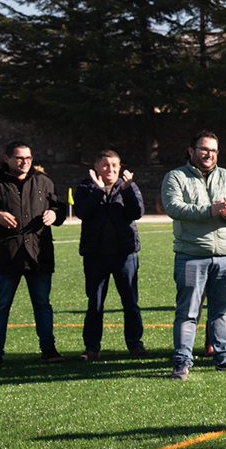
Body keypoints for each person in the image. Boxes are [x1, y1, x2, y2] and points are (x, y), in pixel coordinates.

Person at [0, 141, 67, 369]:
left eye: (28, 158)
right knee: (1, 306)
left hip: (38, 254)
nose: (25, 162)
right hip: (7, 254)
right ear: (7, 159)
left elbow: (60, 207)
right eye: (19, 158)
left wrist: (55, 214)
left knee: (42, 305)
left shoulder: (43, 181)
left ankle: (48, 349)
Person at [162, 130, 226, 379]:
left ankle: (223, 358)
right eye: (204, 149)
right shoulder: (175, 177)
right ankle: (182, 361)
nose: (209, 154)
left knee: (222, 310)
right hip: (191, 254)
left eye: (213, 150)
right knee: (188, 312)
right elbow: (173, 207)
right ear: (191, 151)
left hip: (224, 254)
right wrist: (209, 211)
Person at [75, 150, 147, 361]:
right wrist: (97, 192)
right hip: (95, 256)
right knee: (95, 305)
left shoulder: (128, 186)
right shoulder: (85, 187)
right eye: (106, 165)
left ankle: (135, 345)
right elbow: (82, 212)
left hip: (125, 256)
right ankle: (92, 348)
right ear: (96, 167)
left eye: (115, 165)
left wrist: (126, 190)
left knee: (131, 303)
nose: (111, 169)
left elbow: (137, 213)